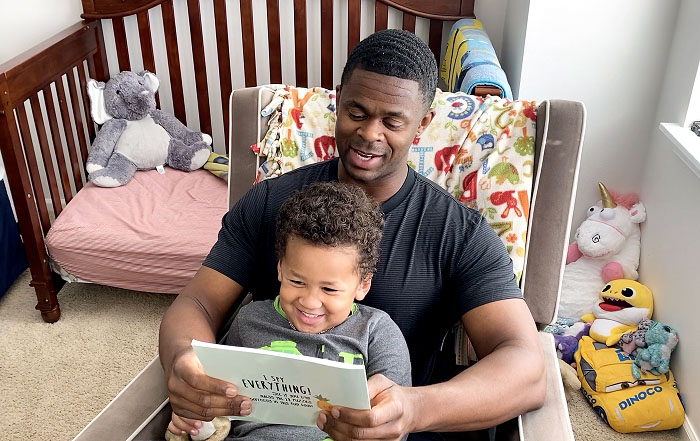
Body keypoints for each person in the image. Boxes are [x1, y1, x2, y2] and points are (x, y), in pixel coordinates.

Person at [159, 29, 545, 441]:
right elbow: (198, 301)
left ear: (423, 123)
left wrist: (415, 408)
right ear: (338, 100)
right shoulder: (270, 202)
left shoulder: (459, 233)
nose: (369, 134)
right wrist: (187, 360)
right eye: (356, 113)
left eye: (392, 121)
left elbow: (525, 365)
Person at [167, 182, 411, 440]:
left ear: (363, 285)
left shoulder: (376, 332)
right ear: (281, 269)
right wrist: (196, 416)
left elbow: (394, 419)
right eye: (297, 282)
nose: (309, 302)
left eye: (329, 289)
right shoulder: (249, 321)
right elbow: (216, 399)